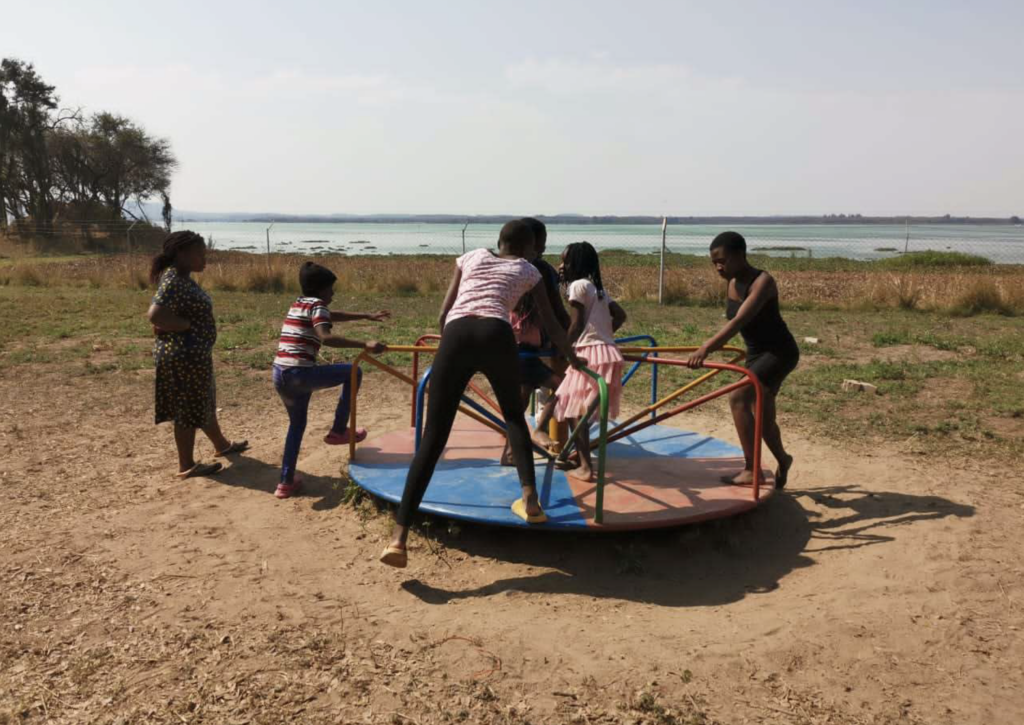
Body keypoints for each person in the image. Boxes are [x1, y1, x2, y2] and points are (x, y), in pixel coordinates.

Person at [380, 220, 585, 568]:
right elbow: (551, 323)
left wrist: (449, 352)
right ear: (529, 248)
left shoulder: (471, 257)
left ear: (499, 241)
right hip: (496, 333)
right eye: (537, 247)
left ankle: (399, 539)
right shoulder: (529, 269)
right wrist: (572, 356)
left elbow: (444, 312)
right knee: (514, 418)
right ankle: (531, 502)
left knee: (433, 436)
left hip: (458, 332)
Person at [686, 231, 798, 488]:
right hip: (756, 354)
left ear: (739, 255)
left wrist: (707, 348)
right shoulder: (731, 283)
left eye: (722, 260)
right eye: (713, 262)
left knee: (738, 397)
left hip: (779, 352)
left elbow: (739, 321)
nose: (717, 267)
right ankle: (784, 459)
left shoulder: (763, 282)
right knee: (765, 420)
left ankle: (751, 469)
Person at [272, 262, 389, 499]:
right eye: (331, 289)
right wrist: (364, 344)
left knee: (296, 426)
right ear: (323, 290)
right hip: (299, 374)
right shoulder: (318, 305)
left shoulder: (299, 304)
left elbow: (330, 316)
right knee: (353, 372)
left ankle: (285, 483)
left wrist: (366, 315)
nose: (333, 294)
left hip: (280, 374)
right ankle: (338, 431)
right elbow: (325, 335)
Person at [147, 231, 248, 478]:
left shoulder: (182, 277)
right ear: (181, 254)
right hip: (182, 358)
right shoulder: (174, 280)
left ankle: (221, 445)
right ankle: (186, 465)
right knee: (187, 409)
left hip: (193, 356)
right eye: (199, 254)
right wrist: (186, 326)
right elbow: (156, 314)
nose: (204, 259)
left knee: (202, 402)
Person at [553, 242, 627, 482]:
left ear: (578, 264)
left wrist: (565, 348)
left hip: (587, 353)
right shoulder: (598, 289)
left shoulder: (577, 286)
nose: (561, 266)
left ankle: (585, 467)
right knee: (581, 410)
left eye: (566, 261)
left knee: (574, 410)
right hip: (608, 353)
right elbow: (620, 315)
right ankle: (581, 460)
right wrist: (604, 335)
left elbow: (576, 323)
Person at [499, 217, 570, 465]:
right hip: (537, 346)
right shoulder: (539, 270)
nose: (541, 250)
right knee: (562, 387)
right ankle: (539, 432)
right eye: (539, 245)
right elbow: (556, 312)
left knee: (522, 396)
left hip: (513, 344)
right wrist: (569, 340)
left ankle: (510, 451)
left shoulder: (504, 267)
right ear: (529, 245)